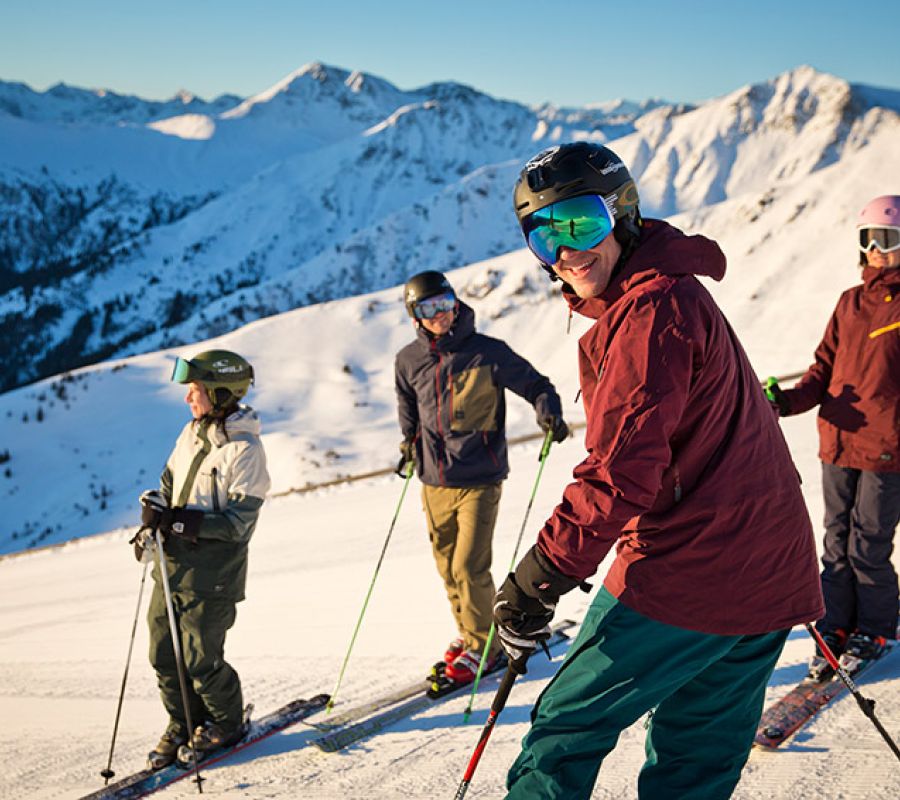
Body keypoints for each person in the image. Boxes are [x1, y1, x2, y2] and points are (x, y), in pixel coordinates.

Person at [492, 142, 824, 800]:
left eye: (579, 223)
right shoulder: (670, 294)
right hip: (769, 571)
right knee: (694, 758)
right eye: (542, 234)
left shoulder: (649, 313)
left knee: (567, 728)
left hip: (693, 569)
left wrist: (541, 575)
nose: (564, 251)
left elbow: (619, 472)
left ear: (622, 214)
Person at [394, 270, 568, 685]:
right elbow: (408, 409)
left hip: (480, 478)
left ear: (456, 303)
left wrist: (549, 411)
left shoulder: (487, 352)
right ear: (415, 316)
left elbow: (536, 384)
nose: (441, 314)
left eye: (446, 303)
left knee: (470, 566)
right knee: (448, 569)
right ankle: (470, 631)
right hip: (433, 482)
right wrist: (408, 445)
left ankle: (482, 647)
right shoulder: (408, 360)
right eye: (429, 308)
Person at [766, 195, 900, 679]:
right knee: (835, 541)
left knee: (868, 544)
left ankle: (879, 627)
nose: (876, 250)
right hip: (838, 440)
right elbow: (821, 371)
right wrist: (784, 402)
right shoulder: (850, 302)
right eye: (868, 240)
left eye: (887, 239)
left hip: (887, 447)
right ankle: (836, 625)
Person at [135, 349, 270, 768]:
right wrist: (154, 510)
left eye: (195, 390)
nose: (187, 398)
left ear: (221, 391)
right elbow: (169, 481)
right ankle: (184, 720)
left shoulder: (246, 451)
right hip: (170, 567)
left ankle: (226, 722)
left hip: (212, 574)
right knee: (163, 653)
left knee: (200, 657)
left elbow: (237, 525)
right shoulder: (190, 434)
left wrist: (180, 523)